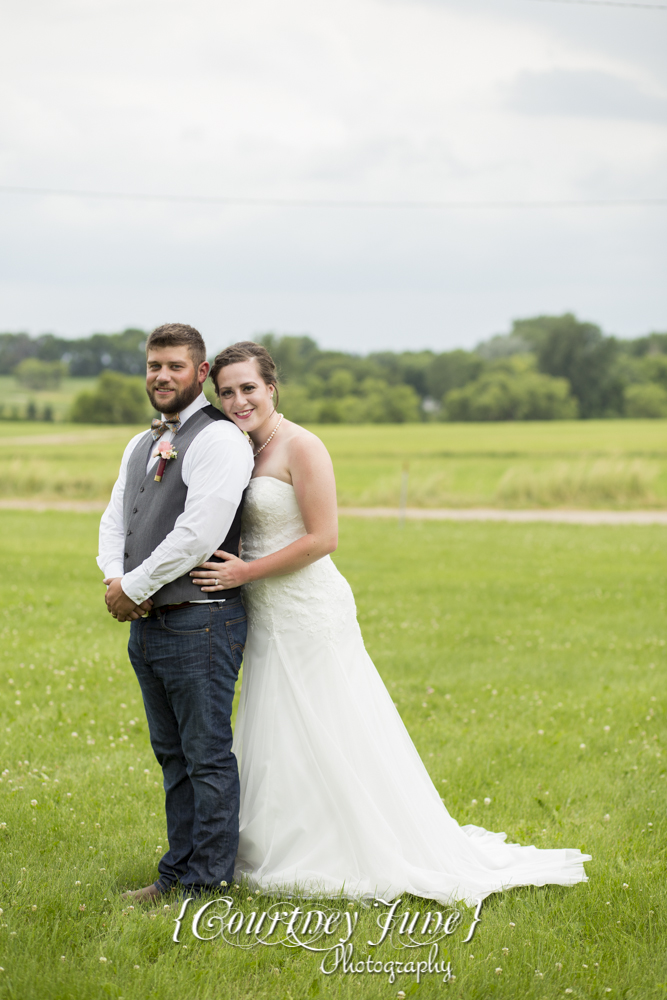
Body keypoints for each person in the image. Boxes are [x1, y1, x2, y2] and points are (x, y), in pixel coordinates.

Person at [189, 340, 591, 904]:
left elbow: (324, 538)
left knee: (330, 721)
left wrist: (245, 573)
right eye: (225, 391)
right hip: (266, 612)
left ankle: (345, 845)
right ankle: (275, 838)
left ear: (272, 387)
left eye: (248, 388)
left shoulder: (302, 446)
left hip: (308, 607)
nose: (237, 400)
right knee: (277, 722)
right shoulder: (239, 448)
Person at [98, 323, 253, 900]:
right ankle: (176, 875)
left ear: (201, 373)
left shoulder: (219, 440)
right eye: (154, 365)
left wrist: (134, 586)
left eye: (175, 367)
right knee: (172, 756)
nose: (162, 376)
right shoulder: (142, 442)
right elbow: (117, 515)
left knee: (206, 756)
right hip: (151, 623)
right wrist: (114, 578)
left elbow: (197, 533)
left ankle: (207, 882)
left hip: (202, 618)